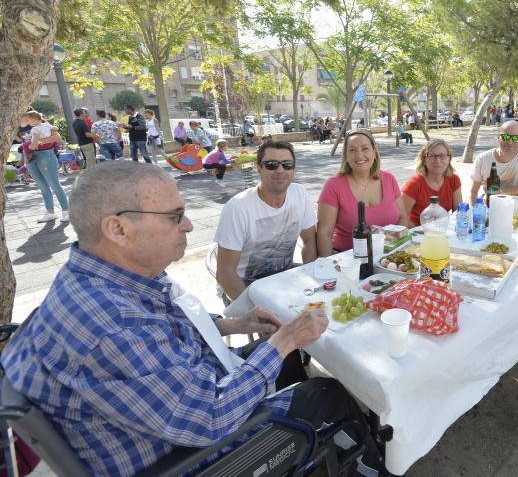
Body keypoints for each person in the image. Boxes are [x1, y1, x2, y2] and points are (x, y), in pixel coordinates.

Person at [1, 161, 383, 476]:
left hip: (168, 404)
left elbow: (163, 325)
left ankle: (311, 430)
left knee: (283, 363)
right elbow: (211, 417)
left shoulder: (107, 275)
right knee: (327, 390)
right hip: (188, 456)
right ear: (117, 229)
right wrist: (284, 341)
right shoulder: (111, 325)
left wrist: (231, 324)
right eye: (175, 216)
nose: (188, 225)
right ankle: (367, 460)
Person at [215, 141, 317, 301]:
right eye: (271, 165)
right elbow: (225, 273)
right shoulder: (237, 207)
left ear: (294, 169)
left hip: (284, 277)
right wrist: (255, 311)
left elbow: (310, 241)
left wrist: (309, 279)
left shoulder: (300, 194)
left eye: (287, 164)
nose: (280, 170)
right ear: (258, 168)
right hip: (243, 287)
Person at [317, 129, 409, 255]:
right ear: (346, 156)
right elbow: (325, 233)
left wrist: (390, 247)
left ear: (374, 152)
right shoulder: (333, 185)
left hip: (387, 256)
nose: (359, 155)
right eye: (352, 150)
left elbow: (402, 218)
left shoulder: (389, 179)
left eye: (365, 148)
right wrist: (327, 268)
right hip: (346, 261)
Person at [469, 120, 518, 204]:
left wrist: (497, 190)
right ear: (498, 137)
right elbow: (473, 192)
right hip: (490, 205)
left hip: (517, 207)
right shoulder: (482, 158)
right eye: (505, 137)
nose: (510, 142)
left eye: (515, 138)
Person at [18, 110, 70, 222]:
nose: (25, 120)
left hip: (45, 154)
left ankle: (67, 211)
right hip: (29, 157)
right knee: (43, 186)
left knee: (54, 184)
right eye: (24, 119)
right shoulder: (15, 125)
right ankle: (50, 212)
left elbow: (56, 137)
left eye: (27, 118)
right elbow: (21, 140)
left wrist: (38, 141)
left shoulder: (42, 124)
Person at [400, 139, 463, 226]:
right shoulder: (414, 184)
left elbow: (459, 213)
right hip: (417, 234)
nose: (437, 160)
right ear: (424, 159)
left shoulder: (454, 180)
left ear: (449, 159)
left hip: (443, 231)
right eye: (432, 156)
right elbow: (400, 218)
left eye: (442, 156)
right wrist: (420, 233)